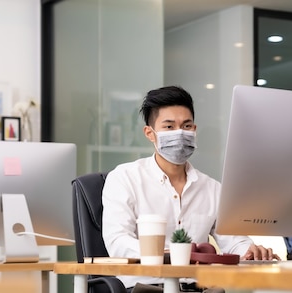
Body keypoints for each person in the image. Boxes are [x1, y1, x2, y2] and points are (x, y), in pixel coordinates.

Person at [102, 86, 279, 292]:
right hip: (146, 287)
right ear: (150, 133)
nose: (180, 133)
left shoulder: (212, 188)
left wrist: (251, 251)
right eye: (169, 127)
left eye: (186, 125)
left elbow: (234, 242)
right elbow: (118, 242)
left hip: (198, 287)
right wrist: (170, 255)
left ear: (194, 130)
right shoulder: (125, 178)